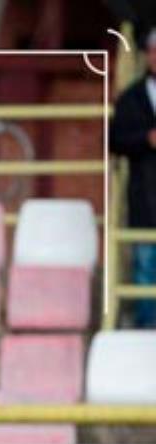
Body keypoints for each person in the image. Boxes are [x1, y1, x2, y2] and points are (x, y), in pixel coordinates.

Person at [110, 27, 156, 327]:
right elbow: (115, 140)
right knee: (146, 270)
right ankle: (146, 340)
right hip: (146, 198)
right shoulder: (131, 98)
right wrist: (146, 139)